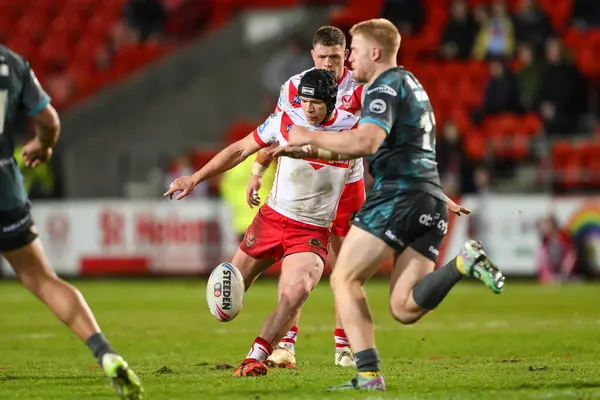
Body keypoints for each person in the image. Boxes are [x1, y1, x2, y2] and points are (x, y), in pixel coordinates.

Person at [271, 18, 504, 391]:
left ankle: (367, 375)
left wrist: (308, 137)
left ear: (375, 53)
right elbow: (410, 151)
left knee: (344, 276)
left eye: (357, 51)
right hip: (428, 198)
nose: (350, 61)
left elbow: (367, 143)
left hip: (399, 197)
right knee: (404, 307)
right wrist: (440, 196)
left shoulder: (383, 86)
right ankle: (464, 262)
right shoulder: (414, 85)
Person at [165, 69, 360, 377]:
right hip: (271, 219)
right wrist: (195, 177)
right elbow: (241, 148)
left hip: (311, 230)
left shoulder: (354, 130)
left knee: (297, 291)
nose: (308, 109)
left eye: (316, 103)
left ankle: (256, 356)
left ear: (332, 101)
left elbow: (393, 164)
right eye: (305, 101)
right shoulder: (284, 120)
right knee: (226, 302)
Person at [0, 45, 142, 399]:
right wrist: (43, 146)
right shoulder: (12, 62)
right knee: (42, 279)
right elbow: (49, 120)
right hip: (5, 187)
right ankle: (105, 353)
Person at [247, 25, 365, 369]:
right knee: (297, 263)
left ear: (347, 55)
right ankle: (286, 344)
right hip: (306, 180)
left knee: (345, 268)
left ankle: (344, 346)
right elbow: (281, 133)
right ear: (313, 55)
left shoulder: (362, 86)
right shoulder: (296, 86)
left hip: (347, 182)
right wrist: (259, 171)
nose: (328, 63)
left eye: (335, 57)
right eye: (322, 56)